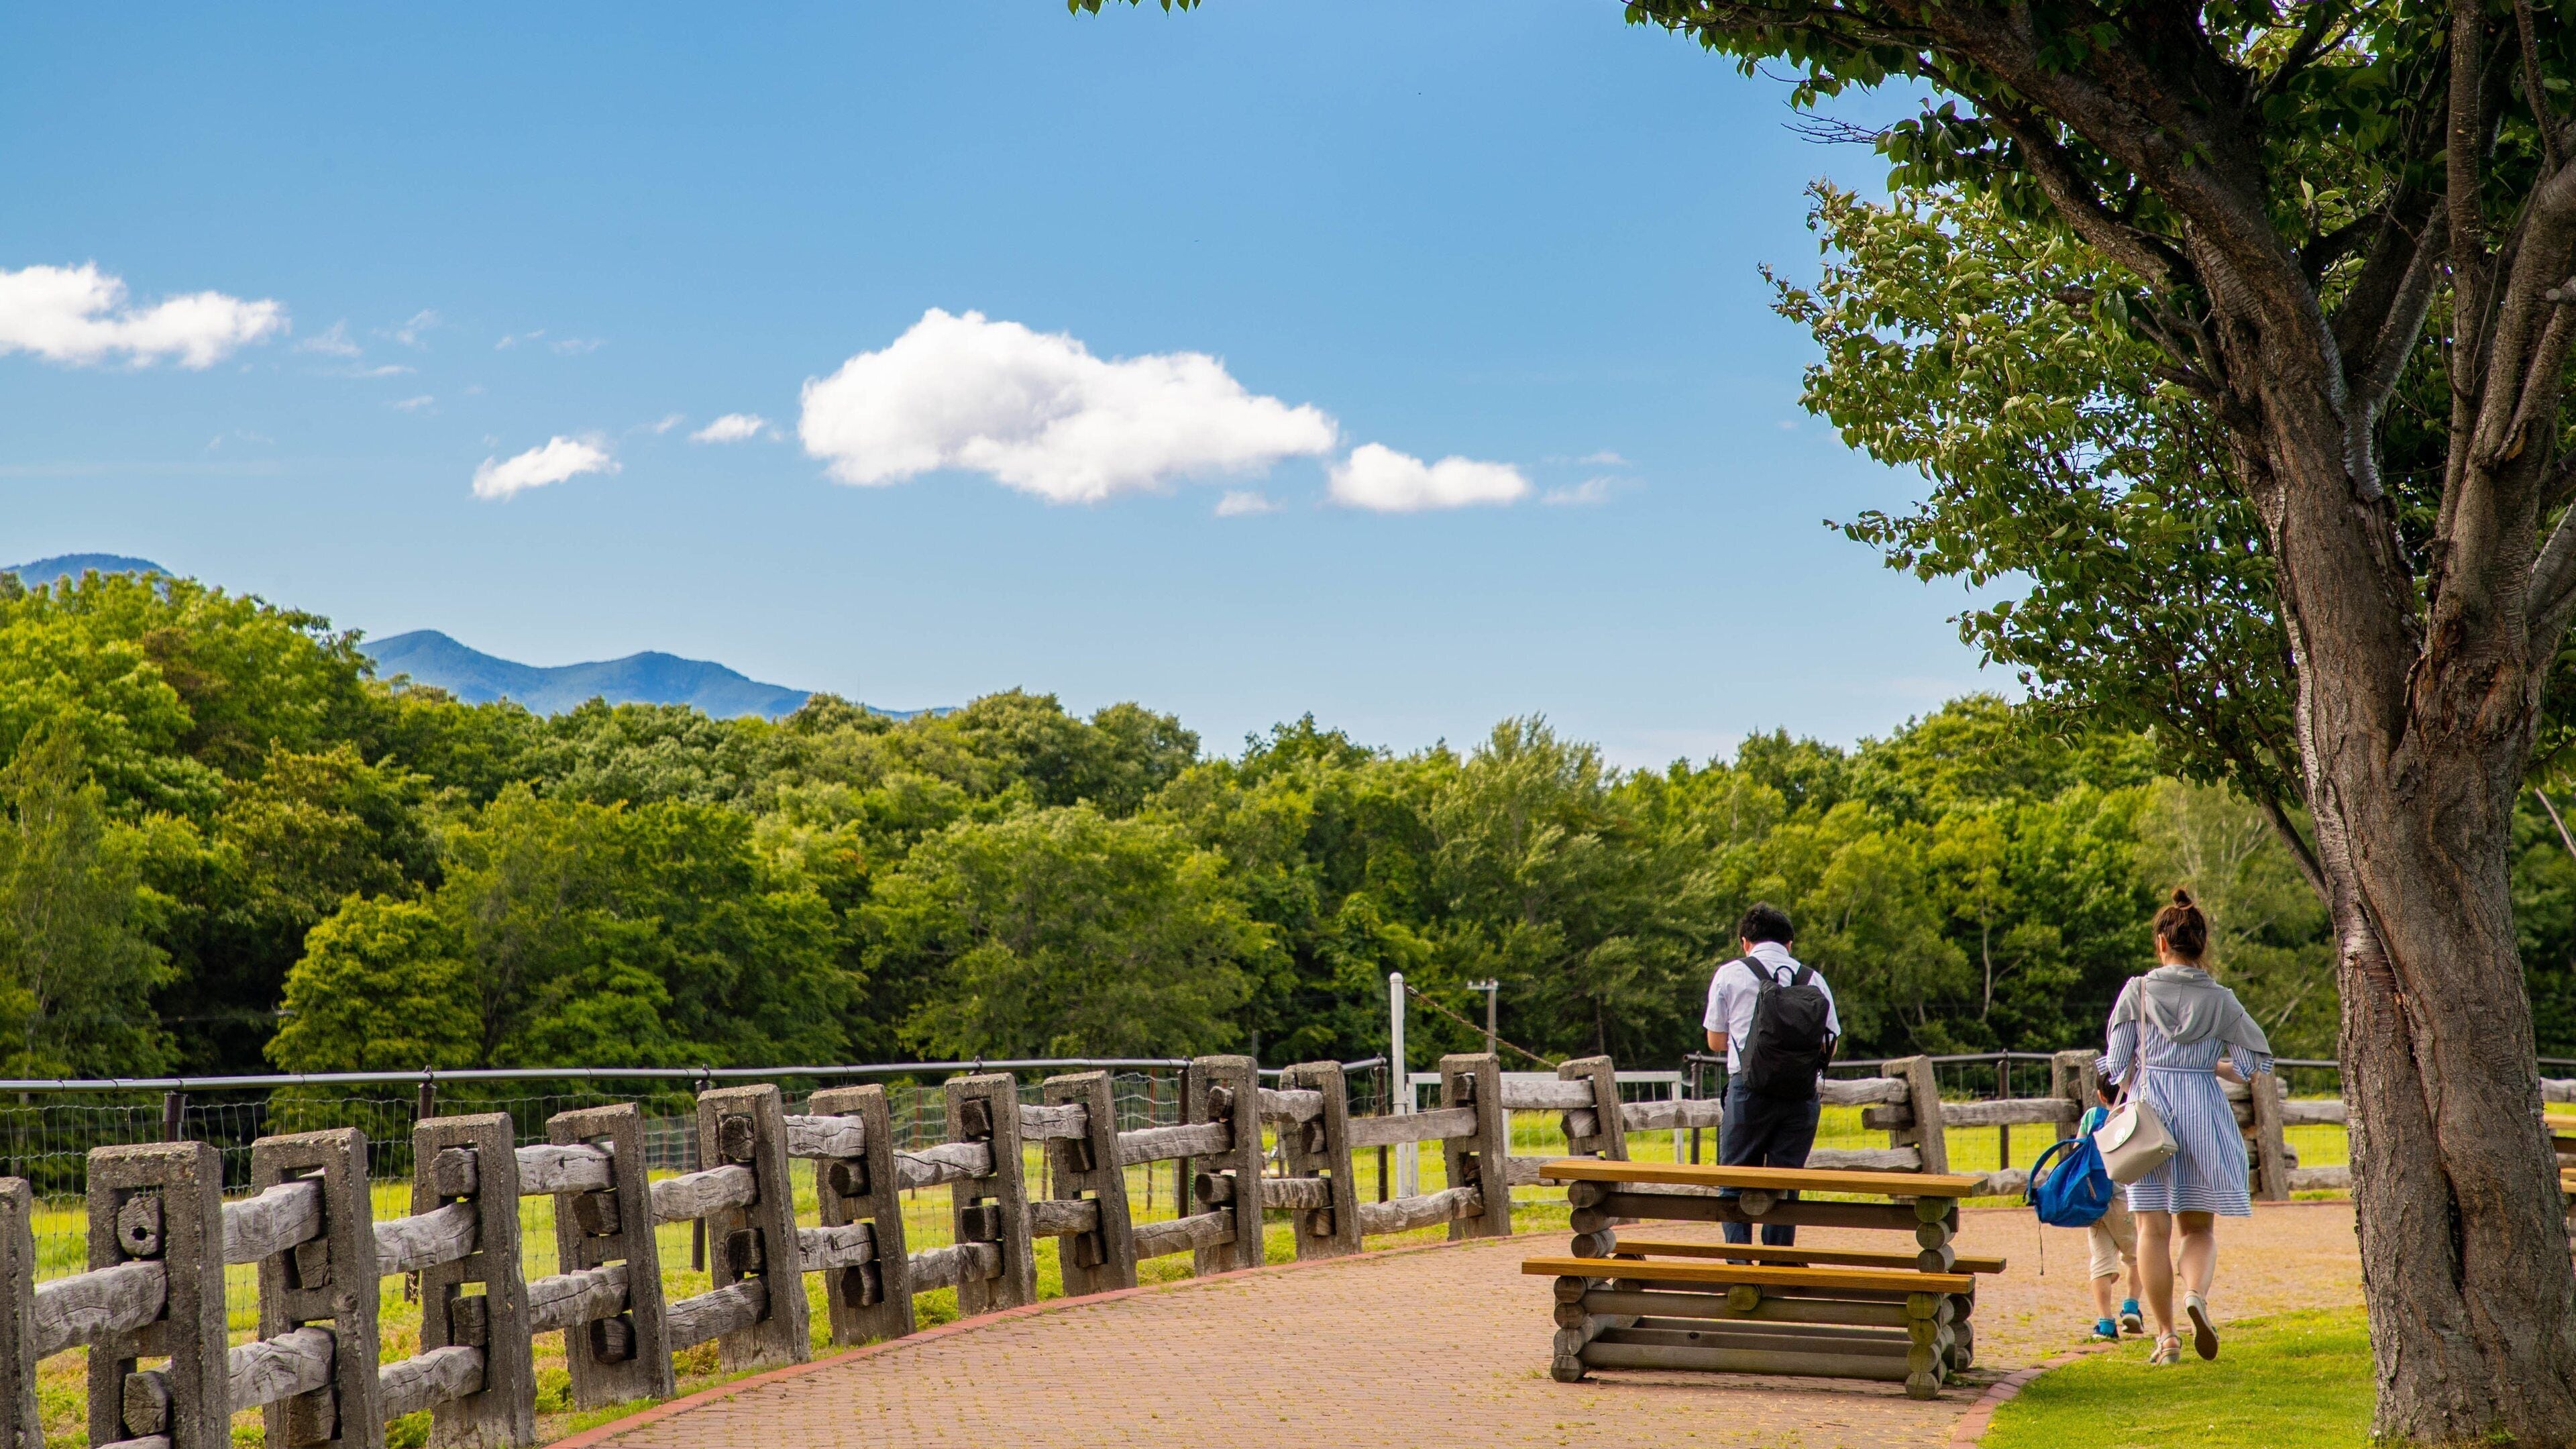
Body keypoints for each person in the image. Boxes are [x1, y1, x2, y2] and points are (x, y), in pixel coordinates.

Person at [2100, 887, 2271, 1365]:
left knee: (2150, 1230)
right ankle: (2196, 1293)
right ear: (2202, 944)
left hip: (2149, 1117)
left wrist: (2146, 1063)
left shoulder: (2136, 991)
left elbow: (2115, 1066)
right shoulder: (2222, 1000)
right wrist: (2206, 1066)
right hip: (2203, 1112)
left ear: (2161, 943)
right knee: (2198, 1228)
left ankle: (2167, 1337)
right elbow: (2250, 1065)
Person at [1703, 902, 1839, 1246]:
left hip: (1747, 1091)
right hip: (1800, 1095)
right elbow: (1830, 1044)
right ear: (1789, 943)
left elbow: (1716, 1041)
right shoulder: (1814, 979)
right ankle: (1777, 1263)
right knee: (1785, 1183)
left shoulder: (1730, 974)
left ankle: (1739, 1264)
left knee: (1734, 1180)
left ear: (1744, 941)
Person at [2076, 1078, 2145, 1341]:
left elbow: (2077, 1150)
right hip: (2124, 1198)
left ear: (2099, 1094)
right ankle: (2131, 1307)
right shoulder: (2134, 1115)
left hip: (2094, 1200)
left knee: (2101, 1262)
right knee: (2138, 1255)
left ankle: (2105, 1324)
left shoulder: (2092, 1116)